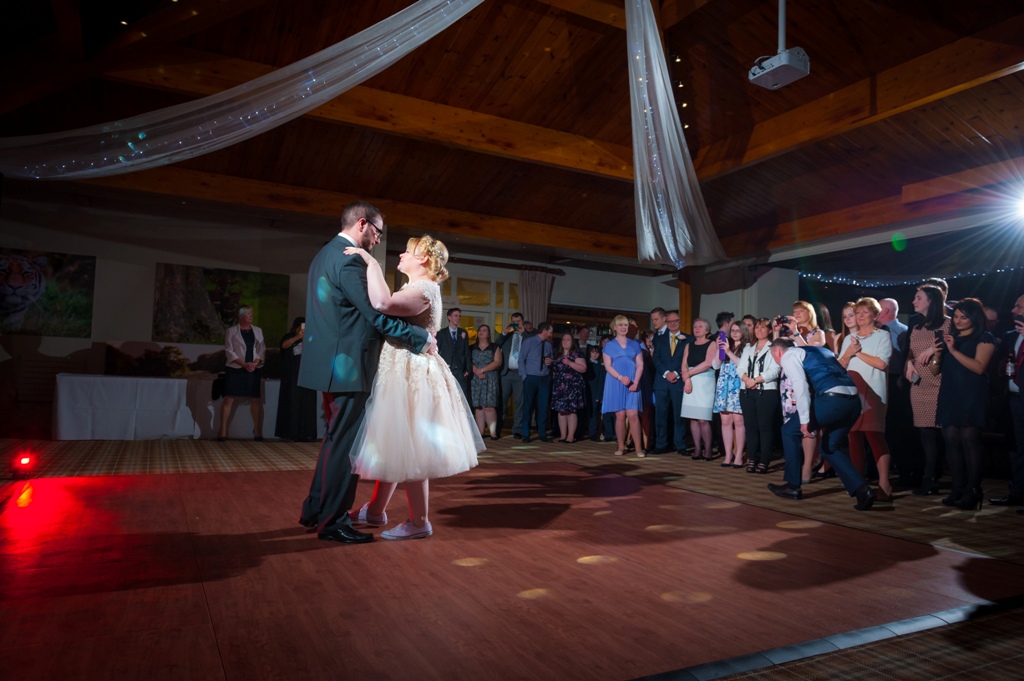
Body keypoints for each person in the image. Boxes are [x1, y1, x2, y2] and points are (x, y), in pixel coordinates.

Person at [297, 202, 433, 544]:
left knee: (334, 442)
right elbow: (376, 314)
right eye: (377, 232)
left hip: (330, 365)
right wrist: (420, 337)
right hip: (349, 367)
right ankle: (333, 523)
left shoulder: (324, 255)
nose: (377, 240)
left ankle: (315, 509)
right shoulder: (351, 259)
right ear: (362, 224)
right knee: (345, 448)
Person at [345, 234, 484, 540]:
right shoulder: (416, 286)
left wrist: (370, 262)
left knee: (413, 448)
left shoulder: (424, 288)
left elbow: (382, 303)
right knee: (397, 443)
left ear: (422, 259)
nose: (400, 256)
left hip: (414, 374)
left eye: (406, 252)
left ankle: (419, 521)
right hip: (401, 369)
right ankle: (376, 510)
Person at [767, 339, 875, 510]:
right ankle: (862, 490)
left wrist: (804, 421)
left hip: (832, 401)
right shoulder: (822, 351)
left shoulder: (788, 356)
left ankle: (792, 486)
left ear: (777, 352)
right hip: (853, 402)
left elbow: (800, 386)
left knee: (789, 430)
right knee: (830, 447)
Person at [933, 298, 996, 510]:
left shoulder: (984, 337)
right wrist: (937, 355)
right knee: (950, 439)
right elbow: (935, 371)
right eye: (956, 316)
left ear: (974, 318)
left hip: (972, 394)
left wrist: (953, 351)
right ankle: (957, 487)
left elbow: (979, 368)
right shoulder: (951, 338)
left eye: (964, 317)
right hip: (950, 393)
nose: (958, 321)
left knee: (969, 440)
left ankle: (973, 489)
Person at [838, 297, 894, 500]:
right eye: (857, 313)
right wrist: (848, 354)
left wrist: (858, 353)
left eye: (864, 312)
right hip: (853, 392)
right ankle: (857, 482)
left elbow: (881, 364)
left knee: (874, 436)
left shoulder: (882, 336)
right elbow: (841, 365)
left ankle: (884, 484)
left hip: (874, 393)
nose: (860, 316)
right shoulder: (849, 339)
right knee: (854, 437)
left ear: (875, 315)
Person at [904, 284, 950, 496]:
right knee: (925, 434)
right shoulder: (916, 327)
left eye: (918, 297)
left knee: (944, 435)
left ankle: (941, 477)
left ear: (931, 301)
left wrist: (934, 348)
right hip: (919, 385)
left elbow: (948, 348)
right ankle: (929, 478)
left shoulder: (949, 324)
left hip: (940, 384)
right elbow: (912, 353)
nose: (914, 301)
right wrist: (910, 363)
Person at [991, 294, 1024, 508]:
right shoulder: (1011, 336)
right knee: (1015, 447)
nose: (1013, 310)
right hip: (1012, 398)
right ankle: (1017, 493)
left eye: (1018, 306)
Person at [878, 297, 914, 487]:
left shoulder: (901, 331)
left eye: (877, 307)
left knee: (896, 429)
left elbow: (906, 360)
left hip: (895, 384)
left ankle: (903, 472)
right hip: (879, 381)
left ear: (886, 310)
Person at [738, 318, 781, 474]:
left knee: (765, 427)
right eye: (757, 327)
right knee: (750, 427)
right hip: (747, 391)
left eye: (763, 328)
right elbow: (740, 368)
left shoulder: (774, 346)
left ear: (770, 330)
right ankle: (752, 459)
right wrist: (747, 380)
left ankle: (764, 460)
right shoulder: (749, 347)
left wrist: (755, 380)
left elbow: (775, 370)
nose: (759, 330)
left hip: (766, 391)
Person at [218, 304, 266, 441]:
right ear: (240, 316)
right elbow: (229, 350)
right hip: (236, 369)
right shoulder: (231, 331)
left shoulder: (258, 330)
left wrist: (255, 363)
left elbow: (261, 349)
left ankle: (257, 431)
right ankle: (222, 430)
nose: (251, 316)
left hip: (253, 368)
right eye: (248, 313)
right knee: (229, 398)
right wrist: (243, 364)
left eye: (252, 313)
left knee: (255, 399)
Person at [603, 315, 644, 457]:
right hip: (616, 381)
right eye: (620, 325)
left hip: (633, 381)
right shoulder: (609, 345)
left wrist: (636, 382)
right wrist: (620, 378)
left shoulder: (635, 344)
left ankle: (639, 448)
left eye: (625, 325)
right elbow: (607, 366)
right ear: (614, 327)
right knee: (620, 415)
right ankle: (621, 446)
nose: (623, 327)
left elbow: (640, 365)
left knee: (633, 414)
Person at [275, 316, 318, 442]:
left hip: (307, 376)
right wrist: (298, 337)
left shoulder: (311, 337)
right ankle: (289, 433)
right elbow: (284, 346)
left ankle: (306, 434)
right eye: (301, 326)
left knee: (307, 405)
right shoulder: (289, 337)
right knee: (291, 403)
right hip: (291, 377)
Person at [652, 310, 689, 455]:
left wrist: (677, 374)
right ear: (666, 323)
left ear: (680, 322)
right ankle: (661, 444)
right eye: (670, 321)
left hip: (679, 382)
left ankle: (680, 445)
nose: (673, 324)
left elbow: (687, 360)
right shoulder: (659, 339)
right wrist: (667, 373)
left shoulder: (688, 339)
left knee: (679, 415)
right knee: (661, 414)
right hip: (662, 382)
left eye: (676, 321)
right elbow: (656, 358)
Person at [713, 321, 749, 467]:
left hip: (738, 386)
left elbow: (742, 365)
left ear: (744, 332)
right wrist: (719, 349)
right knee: (725, 422)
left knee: (739, 422)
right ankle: (728, 454)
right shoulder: (727, 345)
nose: (734, 333)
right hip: (724, 386)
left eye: (737, 330)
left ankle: (739, 454)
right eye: (732, 330)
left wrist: (728, 352)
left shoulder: (747, 347)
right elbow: (715, 365)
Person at [681, 318, 716, 461]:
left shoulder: (712, 344)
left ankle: (708, 450)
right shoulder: (689, 345)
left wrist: (688, 374)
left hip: (704, 380)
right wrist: (687, 379)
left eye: (700, 326)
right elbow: (684, 363)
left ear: (707, 330)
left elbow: (708, 363)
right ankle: (697, 449)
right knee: (693, 418)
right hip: (690, 380)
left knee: (703, 419)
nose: (696, 328)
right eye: (695, 326)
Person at [519, 322, 554, 443]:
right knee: (528, 406)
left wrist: (550, 362)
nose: (551, 333)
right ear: (544, 330)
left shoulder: (548, 345)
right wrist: (524, 376)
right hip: (531, 377)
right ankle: (526, 433)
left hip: (544, 377)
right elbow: (521, 359)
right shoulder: (529, 342)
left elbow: (551, 359)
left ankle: (542, 433)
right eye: (550, 331)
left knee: (543, 406)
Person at [551, 332, 587, 442]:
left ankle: (570, 436)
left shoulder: (577, 354)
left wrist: (569, 363)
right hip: (559, 386)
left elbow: (583, 368)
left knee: (571, 411)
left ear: (572, 342)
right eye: (564, 340)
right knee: (561, 411)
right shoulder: (557, 354)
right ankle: (562, 435)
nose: (565, 341)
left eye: (568, 340)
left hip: (572, 386)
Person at [496, 312, 527, 439]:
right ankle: (497, 429)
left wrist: (523, 332)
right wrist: (504, 332)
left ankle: (517, 430)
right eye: (513, 321)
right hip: (506, 373)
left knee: (519, 402)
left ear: (522, 322)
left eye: (518, 321)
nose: (516, 323)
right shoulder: (507, 336)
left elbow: (533, 344)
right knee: (502, 402)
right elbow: (496, 345)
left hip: (520, 374)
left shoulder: (527, 336)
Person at [470, 324, 503, 440]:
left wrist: (483, 370)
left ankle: (493, 433)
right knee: (478, 406)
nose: (481, 332)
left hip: (490, 379)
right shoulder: (471, 347)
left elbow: (497, 362)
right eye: (480, 330)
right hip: (476, 379)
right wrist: (477, 371)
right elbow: (468, 361)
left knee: (489, 406)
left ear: (488, 334)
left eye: (484, 330)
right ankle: (481, 432)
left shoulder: (494, 347)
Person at [437, 307, 472, 400]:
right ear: (449, 317)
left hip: (460, 371)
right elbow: (437, 351)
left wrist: (467, 370)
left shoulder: (463, 332)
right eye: (455, 316)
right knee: (447, 395)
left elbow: (466, 352)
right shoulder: (441, 333)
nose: (458, 318)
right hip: (447, 369)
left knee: (461, 397)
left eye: (459, 316)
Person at [584, 344, 608, 441]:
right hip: (585, 391)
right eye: (592, 352)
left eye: (596, 352)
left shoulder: (600, 367)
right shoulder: (585, 364)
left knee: (594, 413)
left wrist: (599, 395)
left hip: (595, 392)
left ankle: (593, 433)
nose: (594, 354)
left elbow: (601, 381)